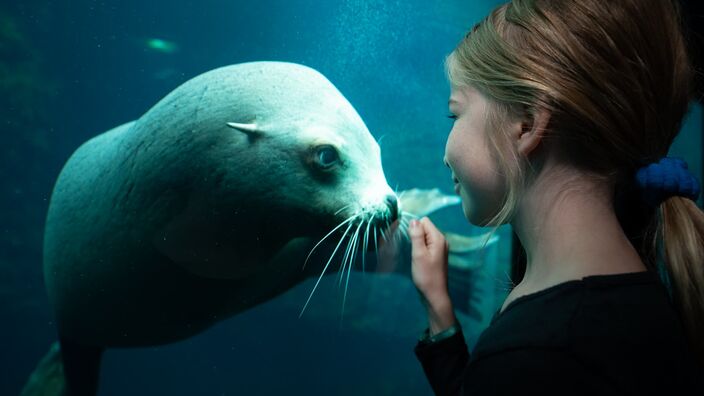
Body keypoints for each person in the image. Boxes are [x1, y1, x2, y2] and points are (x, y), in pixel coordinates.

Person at [408, 0, 704, 394]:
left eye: (455, 114)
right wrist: (440, 314)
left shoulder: (533, 355)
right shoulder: (634, 302)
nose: (445, 153)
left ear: (527, 123)